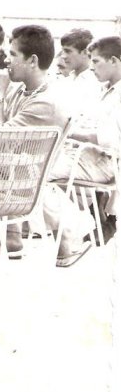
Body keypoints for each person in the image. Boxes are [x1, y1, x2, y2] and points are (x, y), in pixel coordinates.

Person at [0, 25, 93, 266]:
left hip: (14, 185)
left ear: (32, 61)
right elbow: (2, 135)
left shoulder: (46, 102)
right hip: (13, 176)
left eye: (13, 54)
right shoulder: (24, 91)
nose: (6, 60)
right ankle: (43, 238)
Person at [50, 36, 121, 245]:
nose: (91, 67)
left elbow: (105, 138)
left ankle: (69, 234)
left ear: (114, 61)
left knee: (37, 172)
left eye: (96, 61)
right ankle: (94, 212)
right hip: (87, 155)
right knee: (36, 166)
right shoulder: (103, 90)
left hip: (105, 161)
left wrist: (67, 132)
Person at [56, 28, 103, 119]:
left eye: (68, 51)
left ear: (85, 52)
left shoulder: (96, 83)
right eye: (63, 51)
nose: (63, 56)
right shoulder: (65, 80)